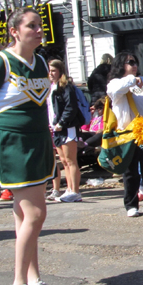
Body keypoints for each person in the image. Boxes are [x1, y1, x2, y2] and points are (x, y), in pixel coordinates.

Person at [0, 7, 65, 285]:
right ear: (14, 31)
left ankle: (34, 281)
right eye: (31, 26)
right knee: (36, 215)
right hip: (12, 144)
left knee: (25, 217)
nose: (39, 30)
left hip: (38, 142)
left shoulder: (39, 63)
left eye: (40, 25)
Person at [106, 52, 143, 217]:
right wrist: (132, 80)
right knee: (130, 172)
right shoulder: (115, 83)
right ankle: (131, 205)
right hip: (127, 134)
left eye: (135, 62)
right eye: (130, 62)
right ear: (121, 65)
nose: (134, 65)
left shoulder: (141, 81)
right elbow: (116, 90)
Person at [47, 59, 82, 203]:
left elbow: (70, 107)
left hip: (67, 127)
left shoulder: (66, 86)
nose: (51, 74)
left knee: (70, 160)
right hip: (56, 128)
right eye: (49, 71)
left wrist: (62, 122)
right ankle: (68, 188)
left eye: (54, 70)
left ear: (60, 71)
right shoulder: (51, 87)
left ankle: (75, 191)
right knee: (63, 161)